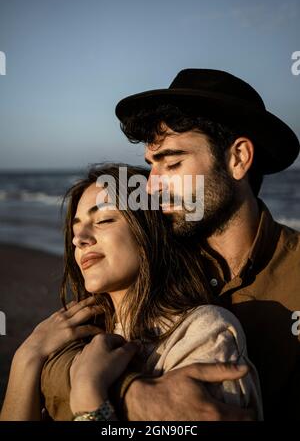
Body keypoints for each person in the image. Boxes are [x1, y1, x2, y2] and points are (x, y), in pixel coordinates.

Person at [41, 69, 300, 420]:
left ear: (238, 158)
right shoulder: (151, 256)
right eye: (151, 167)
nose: (151, 187)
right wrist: (131, 392)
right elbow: (62, 358)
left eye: (173, 163)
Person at [33, 163, 262, 422]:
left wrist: (91, 402)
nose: (79, 239)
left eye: (104, 220)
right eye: (75, 230)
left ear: (150, 230)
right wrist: (27, 359)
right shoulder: (78, 333)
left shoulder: (203, 332)